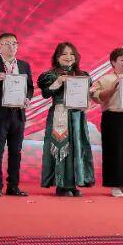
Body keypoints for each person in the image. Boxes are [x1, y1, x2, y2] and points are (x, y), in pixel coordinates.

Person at [0, 32, 35, 197]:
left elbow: (30, 87)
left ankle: (13, 186)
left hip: (18, 114)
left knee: (16, 152)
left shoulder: (24, 65)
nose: (11, 47)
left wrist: (27, 98)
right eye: (7, 43)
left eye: (14, 43)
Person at [37, 42, 95, 196]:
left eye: (71, 54)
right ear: (57, 57)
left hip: (77, 116)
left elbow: (86, 95)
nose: (68, 57)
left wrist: (87, 101)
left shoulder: (83, 75)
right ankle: (62, 185)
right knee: (61, 147)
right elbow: (45, 94)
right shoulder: (51, 75)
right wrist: (58, 82)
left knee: (77, 147)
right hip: (60, 114)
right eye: (64, 54)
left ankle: (74, 183)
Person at [90, 48, 123, 197]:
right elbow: (95, 96)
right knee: (113, 152)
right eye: (122, 60)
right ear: (113, 62)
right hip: (112, 118)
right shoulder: (105, 79)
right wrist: (113, 88)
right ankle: (114, 185)